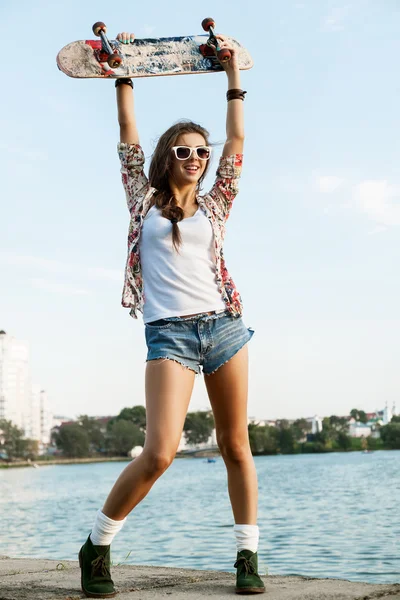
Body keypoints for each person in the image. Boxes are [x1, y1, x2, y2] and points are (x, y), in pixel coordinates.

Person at [78, 30, 265, 597]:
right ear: (167, 158)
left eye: (200, 152)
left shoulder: (217, 201)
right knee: (160, 452)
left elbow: (236, 135)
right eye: (183, 150)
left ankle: (247, 559)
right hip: (170, 337)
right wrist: (125, 70)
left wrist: (232, 74)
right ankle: (97, 545)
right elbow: (126, 133)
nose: (195, 158)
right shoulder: (141, 199)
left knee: (236, 446)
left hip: (224, 327)